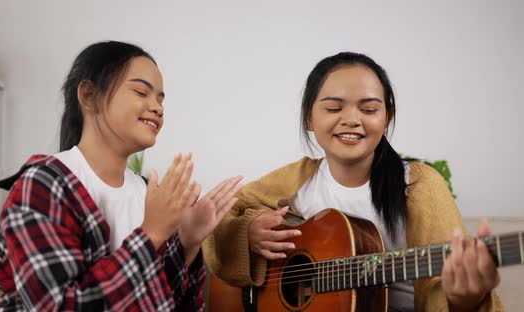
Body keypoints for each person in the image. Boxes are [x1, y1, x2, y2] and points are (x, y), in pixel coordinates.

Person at [204, 52, 502, 311]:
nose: (351, 119)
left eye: (369, 109)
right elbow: (221, 219)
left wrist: (466, 298)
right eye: (334, 108)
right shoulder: (295, 181)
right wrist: (249, 233)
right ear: (309, 118)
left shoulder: (420, 186)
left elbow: (445, 293)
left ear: (387, 118)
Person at [0, 41, 243, 311]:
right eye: (141, 92)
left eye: (160, 98)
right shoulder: (41, 186)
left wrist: (188, 243)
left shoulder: (147, 192)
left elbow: (171, 303)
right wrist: (152, 234)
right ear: (88, 96)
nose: (157, 107)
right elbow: (57, 305)